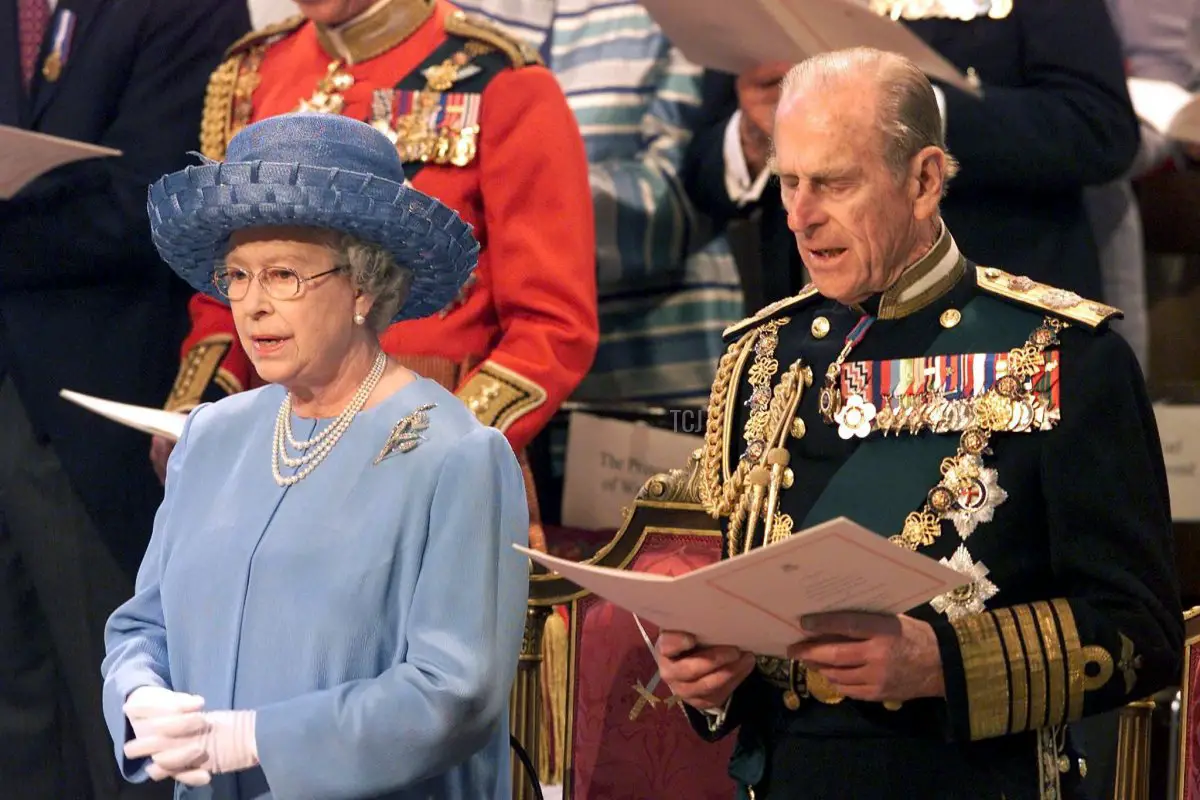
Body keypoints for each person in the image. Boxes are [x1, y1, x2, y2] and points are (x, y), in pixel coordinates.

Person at [654, 48, 1182, 800]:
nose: (801, 216)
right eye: (791, 181)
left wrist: (944, 661)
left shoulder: (1065, 355)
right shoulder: (757, 357)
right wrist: (708, 674)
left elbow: (1143, 637)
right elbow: (739, 614)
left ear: (925, 179)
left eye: (834, 182)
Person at [101, 113, 530, 799]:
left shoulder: (455, 456)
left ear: (362, 288)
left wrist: (255, 739)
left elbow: (454, 695)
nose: (252, 306)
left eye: (284, 276)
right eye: (237, 275)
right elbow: (142, 623)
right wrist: (138, 697)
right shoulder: (212, 437)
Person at [151, 0, 599, 540]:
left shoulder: (499, 78)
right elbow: (225, 286)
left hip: (431, 449)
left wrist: (432, 445)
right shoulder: (255, 71)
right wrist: (201, 411)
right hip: (269, 452)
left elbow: (553, 326)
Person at [0, 0, 249, 796]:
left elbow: (158, 204)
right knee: (15, 707)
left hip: (99, 400)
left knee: (124, 707)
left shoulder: (187, 9)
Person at [686, 0, 1140, 309]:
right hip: (815, 329)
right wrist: (753, 134)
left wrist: (913, 112)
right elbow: (704, 173)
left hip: (997, 311)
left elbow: (1101, 128)